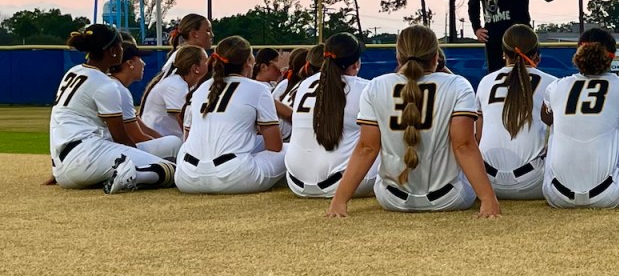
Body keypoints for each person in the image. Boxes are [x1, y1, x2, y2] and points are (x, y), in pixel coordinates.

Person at [326, 25, 499, 217]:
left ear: (398, 56)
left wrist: (339, 200)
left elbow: (367, 148)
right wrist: (488, 199)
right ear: (436, 57)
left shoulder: (375, 86)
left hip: (392, 199)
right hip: (449, 198)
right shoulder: (458, 85)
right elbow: (464, 146)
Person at [49, 24, 175, 193]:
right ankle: (129, 174)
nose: (122, 49)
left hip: (67, 161)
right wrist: (144, 159)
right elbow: (121, 139)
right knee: (171, 170)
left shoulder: (74, 71)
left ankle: (125, 171)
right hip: (86, 158)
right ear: (113, 51)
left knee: (173, 144)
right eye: (120, 46)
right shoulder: (105, 84)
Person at [541, 27, 619, 209]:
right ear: (611, 57)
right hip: (608, 195)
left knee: (556, 122)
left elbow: (545, 119)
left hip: (556, 195)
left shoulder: (557, 86)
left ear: (578, 53)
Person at [175, 36, 286, 194]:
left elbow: (187, 139)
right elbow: (275, 146)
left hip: (186, 177)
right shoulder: (258, 89)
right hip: (234, 177)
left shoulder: (201, 88)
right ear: (248, 62)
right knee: (289, 149)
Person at [286, 33, 378, 198]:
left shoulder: (305, 83)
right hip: (342, 183)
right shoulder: (366, 88)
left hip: (294, 182)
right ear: (356, 63)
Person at [475, 24, 557, 199]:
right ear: (535, 55)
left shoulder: (486, 82)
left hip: (486, 181)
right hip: (533, 182)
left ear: (504, 53)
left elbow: (478, 137)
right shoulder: (552, 83)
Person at [108, 42, 181, 161]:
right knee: (174, 144)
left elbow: (144, 129)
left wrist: (162, 141)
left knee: (171, 142)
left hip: (104, 148)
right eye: (140, 59)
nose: (144, 63)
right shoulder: (119, 90)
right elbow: (137, 137)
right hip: (108, 152)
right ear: (130, 63)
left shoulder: (115, 85)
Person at [139, 45, 208, 138]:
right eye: (206, 61)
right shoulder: (176, 85)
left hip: (164, 140)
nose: (210, 63)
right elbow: (185, 123)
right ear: (196, 68)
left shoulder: (182, 84)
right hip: (158, 141)